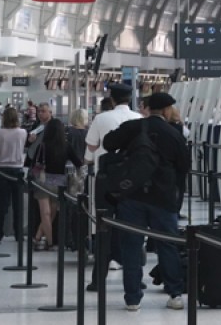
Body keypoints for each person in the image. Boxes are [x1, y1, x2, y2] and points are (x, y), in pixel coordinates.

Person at [102, 92, 190, 311]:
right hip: (163, 197)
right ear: (168, 110)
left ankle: (132, 298)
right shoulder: (173, 133)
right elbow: (184, 166)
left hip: (132, 195)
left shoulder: (133, 128)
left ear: (148, 108)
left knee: (131, 245)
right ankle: (175, 294)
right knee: (167, 245)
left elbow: (108, 143)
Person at [85, 83, 142, 290]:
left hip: (106, 179)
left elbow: (90, 148)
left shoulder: (101, 118)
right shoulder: (138, 119)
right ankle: (136, 279)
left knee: (103, 227)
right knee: (133, 229)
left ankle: (98, 279)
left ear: (112, 98)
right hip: (133, 180)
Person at [32, 116, 74, 251]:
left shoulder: (42, 146)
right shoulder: (66, 146)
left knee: (45, 213)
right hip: (59, 182)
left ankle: (45, 240)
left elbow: (34, 164)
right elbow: (79, 162)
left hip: (43, 181)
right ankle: (43, 240)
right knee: (53, 213)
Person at [0, 108, 27, 247]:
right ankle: (18, 235)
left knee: (1, 206)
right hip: (17, 171)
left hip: (2, 171)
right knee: (18, 206)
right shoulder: (23, 132)